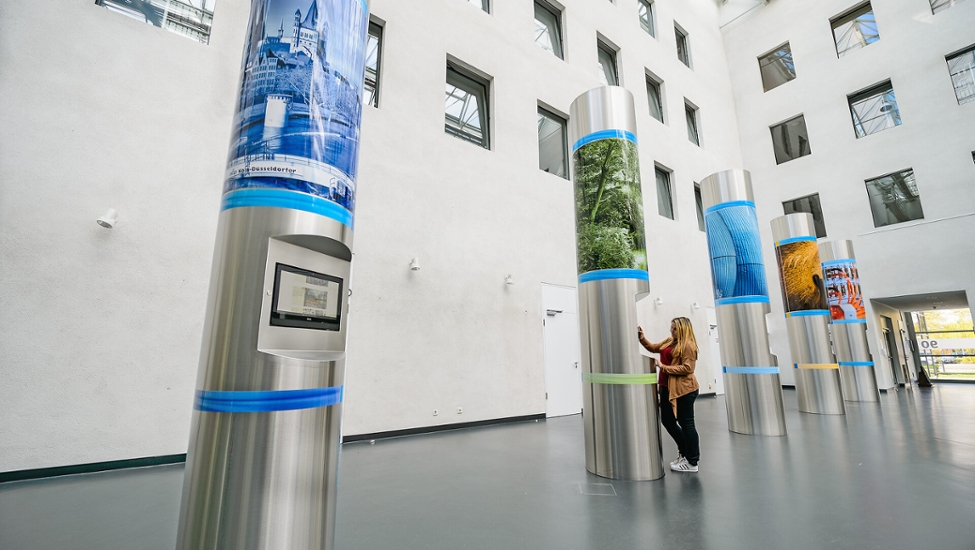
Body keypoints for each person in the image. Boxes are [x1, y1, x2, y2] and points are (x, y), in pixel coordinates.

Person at [638, 317, 701, 472]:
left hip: (684, 389)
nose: (671, 330)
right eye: (671, 327)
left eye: (674, 328)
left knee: (686, 423)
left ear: (683, 329)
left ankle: (692, 462)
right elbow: (653, 348)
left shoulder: (688, 345)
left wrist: (663, 367)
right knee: (667, 421)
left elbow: (687, 368)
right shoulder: (669, 341)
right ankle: (684, 452)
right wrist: (642, 338)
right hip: (667, 388)